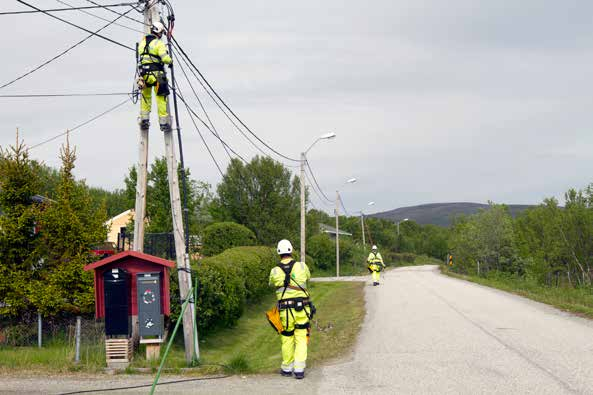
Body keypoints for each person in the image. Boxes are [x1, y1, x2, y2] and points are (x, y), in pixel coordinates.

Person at [269, 239, 314, 379]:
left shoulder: (275, 270)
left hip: (285, 311)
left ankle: (287, 368)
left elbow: (271, 283)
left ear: (278, 253)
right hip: (302, 309)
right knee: (301, 337)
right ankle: (299, 369)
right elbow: (308, 278)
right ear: (291, 251)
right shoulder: (301, 266)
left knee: (287, 338)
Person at [137, 22, 173, 132]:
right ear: (159, 32)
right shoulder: (159, 43)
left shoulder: (142, 43)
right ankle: (164, 123)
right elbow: (165, 58)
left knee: (145, 98)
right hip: (158, 75)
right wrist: (170, 61)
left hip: (144, 75)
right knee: (161, 98)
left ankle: (144, 120)